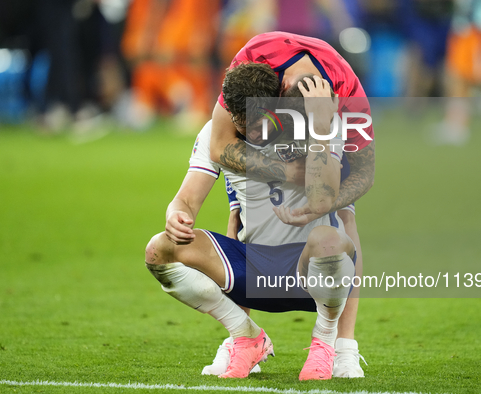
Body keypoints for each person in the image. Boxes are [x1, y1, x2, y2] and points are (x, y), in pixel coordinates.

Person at [146, 77, 357, 380]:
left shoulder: (316, 123)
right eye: (241, 122)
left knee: (329, 240)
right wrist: (176, 214)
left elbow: (324, 195)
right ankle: (245, 336)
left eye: (259, 120)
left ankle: (325, 343)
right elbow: (185, 200)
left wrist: (322, 130)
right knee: (159, 249)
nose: (252, 131)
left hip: (310, 272)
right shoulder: (216, 135)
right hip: (253, 271)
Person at [207, 31, 375, 378]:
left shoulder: (348, 91)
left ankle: (344, 347)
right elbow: (219, 144)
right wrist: (287, 171)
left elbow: (363, 175)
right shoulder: (252, 62)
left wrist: (322, 201)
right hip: (265, 128)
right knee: (239, 211)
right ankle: (241, 339)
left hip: (325, 126)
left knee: (346, 218)